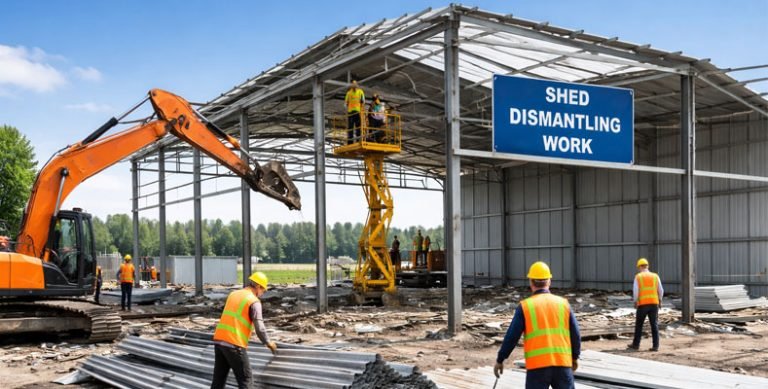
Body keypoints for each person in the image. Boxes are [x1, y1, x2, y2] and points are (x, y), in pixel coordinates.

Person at [494, 261, 580, 389]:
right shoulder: (563, 304)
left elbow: (512, 337)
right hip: (562, 362)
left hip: (538, 367)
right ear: (549, 281)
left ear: (531, 282)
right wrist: (575, 357)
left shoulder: (526, 306)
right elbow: (575, 334)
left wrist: (500, 359)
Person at [211, 271, 277, 389]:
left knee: (218, 380)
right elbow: (260, 328)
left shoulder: (234, 294)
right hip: (234, 343)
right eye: (263, 290)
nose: (262, 293)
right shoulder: (254, 301)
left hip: (219, 340)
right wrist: (268, 342)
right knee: (246, 379)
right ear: (257, 286)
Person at [628, 257, 663, 352]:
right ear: (647, 266)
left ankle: (636, 345)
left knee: (639, 325)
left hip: (643, 304)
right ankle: (656, 346)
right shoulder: (655, 276)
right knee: (654, 325)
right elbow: (661, 290)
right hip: (654, 304)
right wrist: (660, 300)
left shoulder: (638, 277)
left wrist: (635, 301)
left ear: (639, 267)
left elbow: (636, 291)